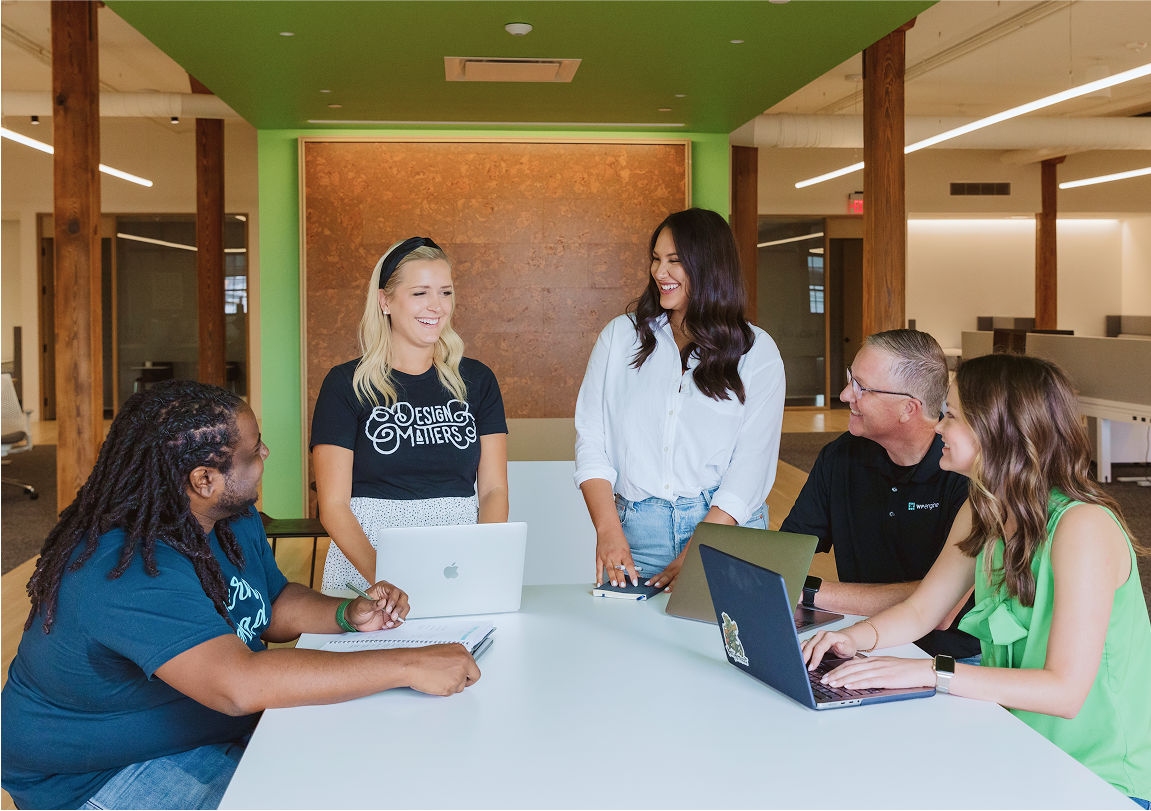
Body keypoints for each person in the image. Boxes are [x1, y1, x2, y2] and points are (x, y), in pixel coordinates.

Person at [0, 381, 480, 811]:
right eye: (253, 450)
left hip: (204, 727)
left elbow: (269, 605)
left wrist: (347, 614)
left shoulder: (231, 518)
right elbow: (238, 685)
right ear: (204, 480)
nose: (266, 453)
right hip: (94, 775)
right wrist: (407, 664)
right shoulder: (124, 570)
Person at [801, 353, 1150, 805]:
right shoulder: (983, 508)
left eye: (951, 416)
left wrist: (929, 672)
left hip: (1100, 780)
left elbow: (1065, 691)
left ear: (998, 432)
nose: (939, 427)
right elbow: (921, 610)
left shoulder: (1083, 527)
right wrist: (851, 639)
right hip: (1023, 748)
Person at [574, 208, 786, 591]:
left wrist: (704, 543)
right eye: (656, 259)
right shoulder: (620, 338)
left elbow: (752, 465)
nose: (659, 272)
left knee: (727, 649)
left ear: (709, 267)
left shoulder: (757, 352)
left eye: (675, 261)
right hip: (637, 534)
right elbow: (591, 438)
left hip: (727, 532)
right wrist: (607, 529)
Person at [310, 237, 508, 592]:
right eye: (420, 293)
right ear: (385, 301)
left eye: (445, 293)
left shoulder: (477, 380)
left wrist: (479, 560)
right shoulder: (345, 384)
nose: (437, 306)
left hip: (456, 564)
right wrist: (385, 580)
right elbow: (333, 505)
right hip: (367, 566)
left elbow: (493, 490)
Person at [779, 329, 980, 660]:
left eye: (862, 388)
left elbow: (942, 609)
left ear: (908, 409)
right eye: (850, 379)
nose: (845, 395)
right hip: (860, 641)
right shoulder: (839, 457)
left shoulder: (967, 474)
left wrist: (813, 591)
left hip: (947, 659)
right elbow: (785, 556)